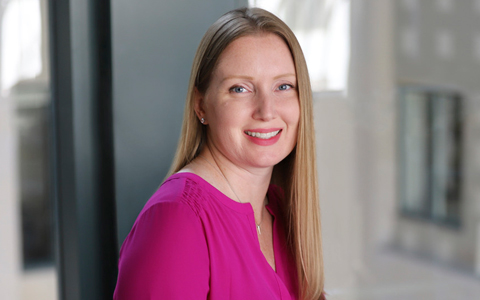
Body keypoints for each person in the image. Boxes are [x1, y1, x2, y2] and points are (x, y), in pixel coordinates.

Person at [114, 7, 325, 300]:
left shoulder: (279, 210)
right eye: (239, 88)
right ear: (201, 106)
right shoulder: (177, 221)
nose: (267, 111)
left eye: (284, 86)